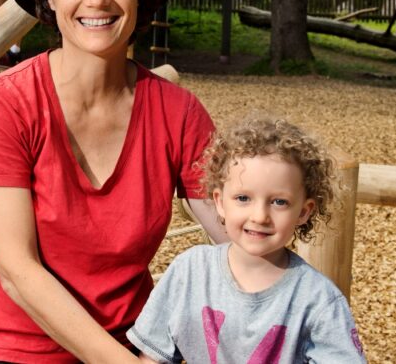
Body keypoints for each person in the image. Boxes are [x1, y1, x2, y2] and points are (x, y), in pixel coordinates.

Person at [0, 0, 226, 363]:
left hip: (140, 342)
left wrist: (300, 304)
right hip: (20, 348)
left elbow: (235, 232)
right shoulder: (5, 101)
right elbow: (17, 270)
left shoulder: (179, 113)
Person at [127, 116, 367, 363]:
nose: (260, 216)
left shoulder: (317, 300)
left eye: (279, 202)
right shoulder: (189, 272)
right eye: (243, 198)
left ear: (304, 212)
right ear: (220, 202)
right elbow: (151, 357)